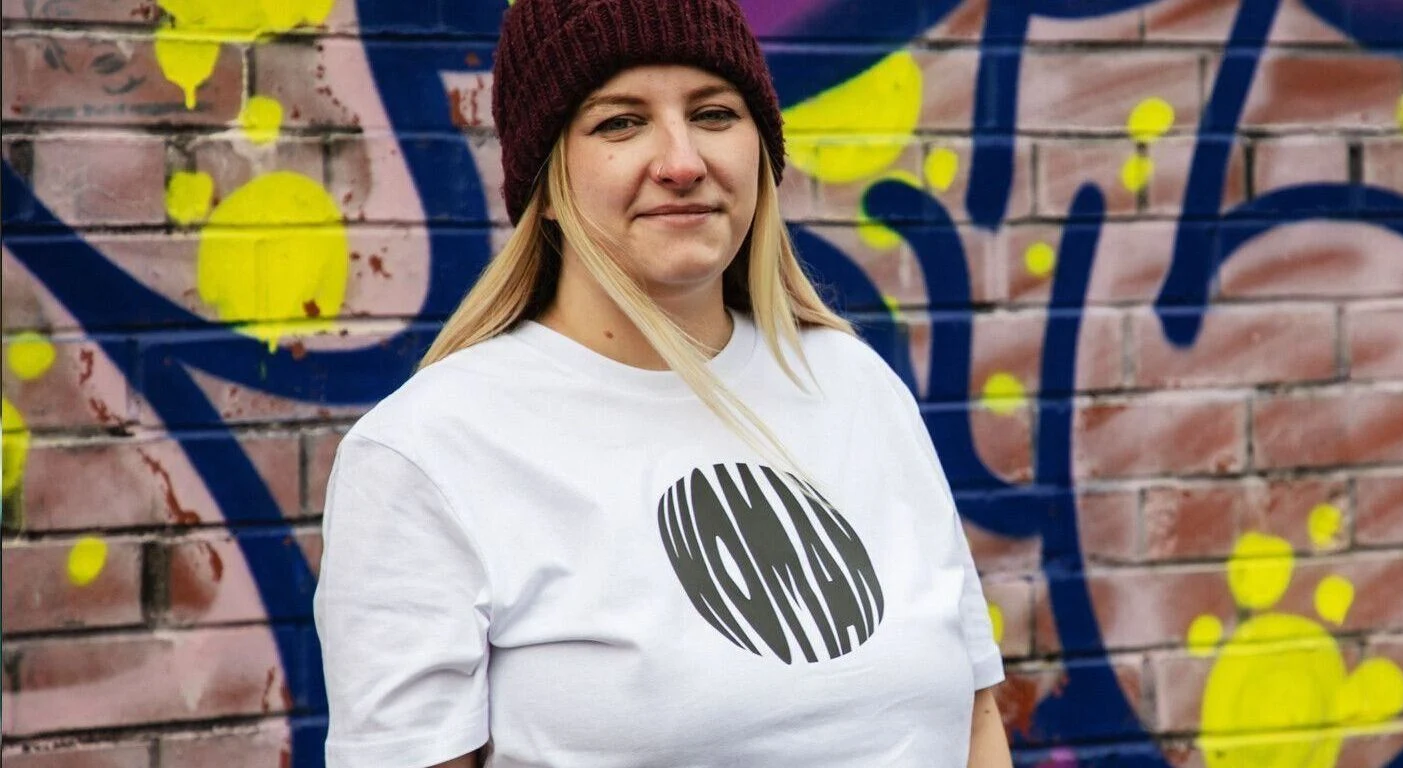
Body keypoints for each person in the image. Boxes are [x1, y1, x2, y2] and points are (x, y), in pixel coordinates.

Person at [311, 0, 1014, 765]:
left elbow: (977, 722)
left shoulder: (855, 385)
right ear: (546, 181)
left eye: (714, 114)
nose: (682, 162)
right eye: (620, 122)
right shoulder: (425, 452)